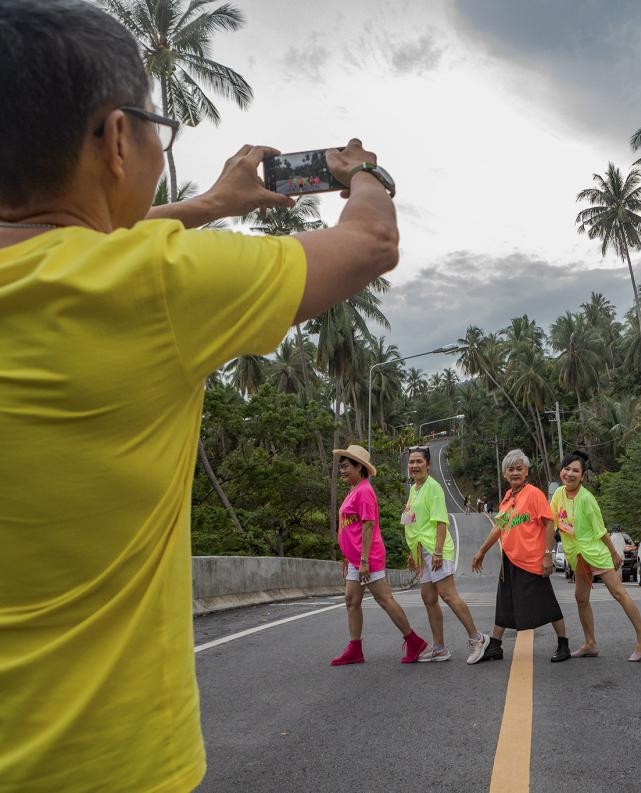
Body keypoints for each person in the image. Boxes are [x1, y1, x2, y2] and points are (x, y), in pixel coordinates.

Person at [0, 2, 403, 788]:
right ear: (117, 138)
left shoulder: (112, 270)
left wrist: (212, 203)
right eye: (156, 125)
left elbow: (66, 240)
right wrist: (364, 173)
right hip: (105, 767)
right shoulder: (153, 286)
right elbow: (370, 243)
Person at [550, 451, 641, 661]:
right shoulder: (558, 495)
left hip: (596, 553)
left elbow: (600, 530)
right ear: (561, 470)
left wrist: (614, 553)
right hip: (577, 555)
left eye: (575, 471)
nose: (570, 473)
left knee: (619, 593)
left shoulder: (587, 499)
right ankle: (590, 643)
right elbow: (550, 523)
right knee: (581, 598)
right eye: (567, 469)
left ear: (582, 475)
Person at [471, 450, 571, 663]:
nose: (515, 472)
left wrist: (547, 555)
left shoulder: (534, 494)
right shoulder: (508, 497)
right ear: (504, 474)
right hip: (510, 560)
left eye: (519, 468)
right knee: (504, 603)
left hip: (531, 561)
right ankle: (495, 646)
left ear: (526, 471)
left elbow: (548, 523)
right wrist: (482, 551)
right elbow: (499, 526)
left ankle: (563, 643)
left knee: (548, 603)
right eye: (510, 469)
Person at [331, 446, 427, 666]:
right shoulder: (354, 489)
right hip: (356, 558)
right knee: (351, 600)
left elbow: (368, 525)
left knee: (384, 599)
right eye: (341, 467)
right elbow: (351, 527)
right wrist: (349, 555)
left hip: (368, 558)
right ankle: (355, 648)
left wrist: (364, 560)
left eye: (346, 467)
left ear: (359, 467)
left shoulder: (364, 491)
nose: (342, 471)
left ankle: (414, 641)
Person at [402, 446, 490, 664]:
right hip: (422, 550)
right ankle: (440, 647)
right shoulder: (414, 489)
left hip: (436, 549)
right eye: (411, 462)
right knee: (428, 598)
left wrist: (439, 551)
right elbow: (413, 523)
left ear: (428, 465)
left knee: (448, 595)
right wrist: (413, 553)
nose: (414, 465)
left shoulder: (434, 487)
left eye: (419, 462)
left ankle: (477, 639)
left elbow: (441, 521)